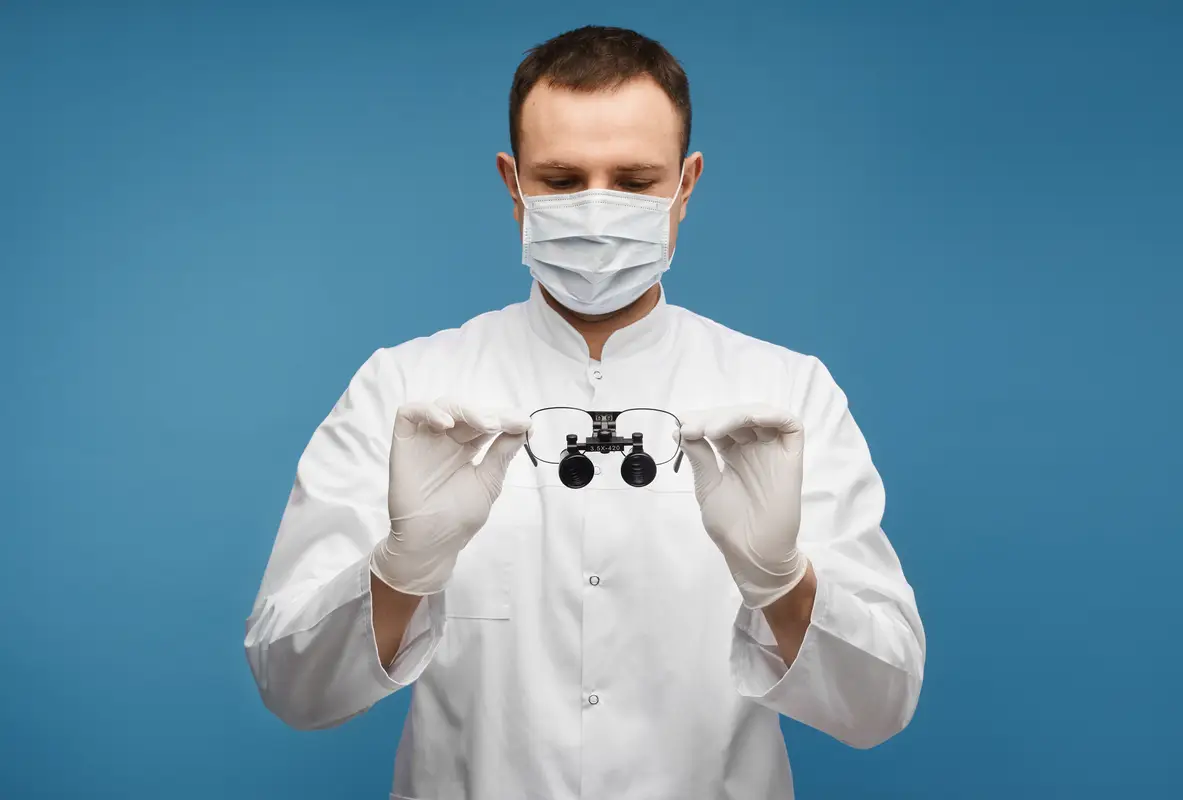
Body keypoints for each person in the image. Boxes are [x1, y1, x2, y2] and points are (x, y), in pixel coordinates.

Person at [244, 25, 926, 800]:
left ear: (686, 184)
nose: (599, 215)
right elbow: (288, 686)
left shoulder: (785, 398)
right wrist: (401, 573)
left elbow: (883, 702)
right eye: (563, 180)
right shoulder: (406, 390)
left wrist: (783, 585)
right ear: (513, 185)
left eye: (635, 182)